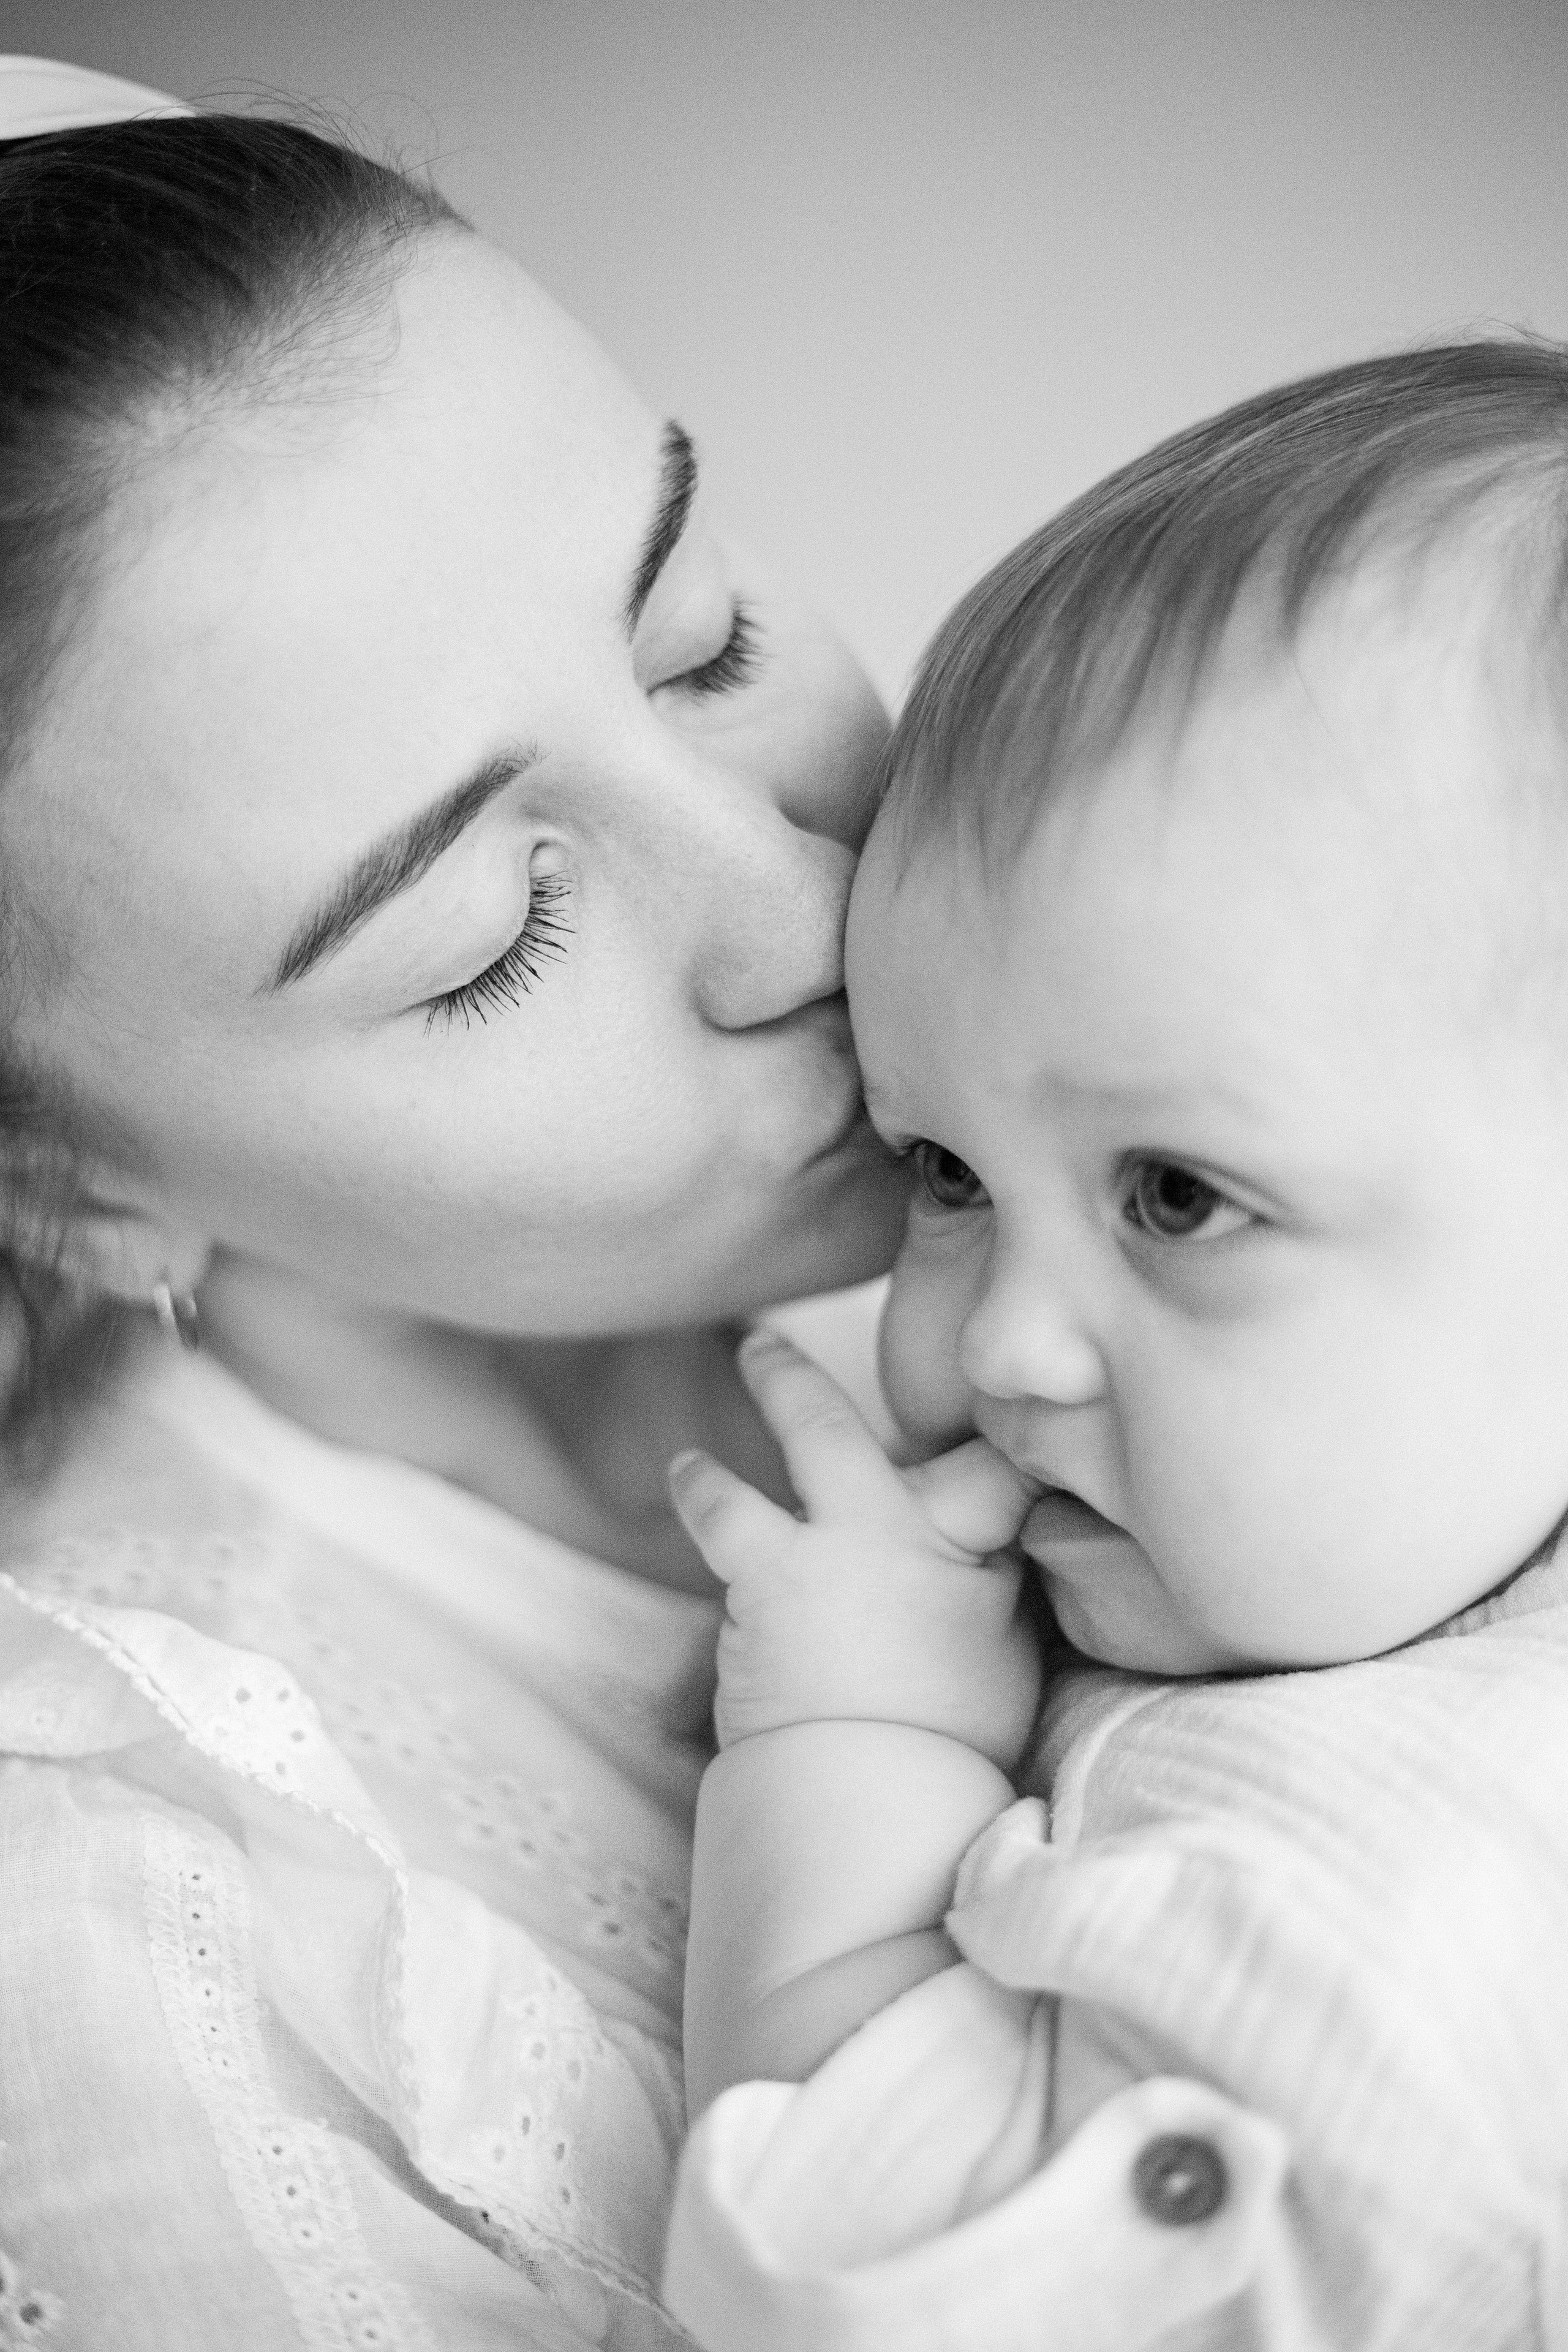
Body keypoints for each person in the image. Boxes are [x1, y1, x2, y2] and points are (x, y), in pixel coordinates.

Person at [0, 59, 912, 2352]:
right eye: (495, 938)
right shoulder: (146, 1926)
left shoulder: (1156, 1023)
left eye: (701, 635)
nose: (807, 909)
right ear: (64, 1178)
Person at [662, 344, 1568, 2349]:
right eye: (946, 1169)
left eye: (1177, 1197)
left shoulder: (1362, 1932)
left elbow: (863, 2287)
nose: (1006, 1345)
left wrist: (850, 1746)